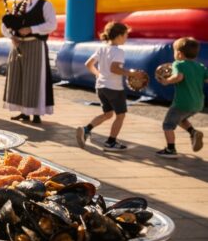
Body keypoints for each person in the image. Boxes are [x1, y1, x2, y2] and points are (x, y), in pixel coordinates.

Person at [76, 22, 142, 151]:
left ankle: (86, 129)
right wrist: (131, 74)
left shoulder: (102, 48)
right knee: (120, 115)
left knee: (107, 114)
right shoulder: (118, 51)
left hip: (101, 86)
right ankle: (111, 142)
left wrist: (98, 74)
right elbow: (115, 68)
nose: (126, 38)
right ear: (118, 36)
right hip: (114, 88)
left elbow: (88, 64)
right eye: (125, 35)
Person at [1, 0, 57, 124]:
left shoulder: (45, 5)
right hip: (18, 45)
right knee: (19, 78)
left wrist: (32, 29)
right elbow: (5, 25)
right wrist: (11, 36)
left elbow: (52, 25)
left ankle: (36, 114)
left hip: (35, 45)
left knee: (35, 79)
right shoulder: (19, 5)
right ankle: (24, 112)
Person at [155, 37, 207, 158]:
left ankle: (170, 149)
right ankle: (193, 132)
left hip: (182, 102)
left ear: (179, 53)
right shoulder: (200, 66)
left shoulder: (178, 64)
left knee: (167, 125)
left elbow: (178, 77)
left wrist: (166, 81)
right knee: (181, 119)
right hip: (198, 103)